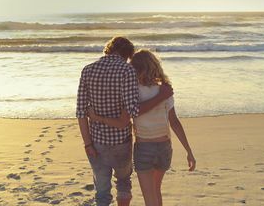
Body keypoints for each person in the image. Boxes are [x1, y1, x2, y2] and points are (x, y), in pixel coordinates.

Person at [88, 49, 196, 206]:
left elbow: (128, 117)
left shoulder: (134, 92)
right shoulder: (165, 90)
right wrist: (189, 151)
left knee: (149, 198)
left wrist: (97, 117)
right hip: (165, 147)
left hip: (145, 147)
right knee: (156, 191)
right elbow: (174, 122)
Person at [76, 37, 173, 206]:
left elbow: (81, 112)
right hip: (121, 141)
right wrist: (161, 96)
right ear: (128, 55)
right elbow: (134, 110)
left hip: (96, 142)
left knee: (102, 191)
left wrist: (87, 144)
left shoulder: (87, 70)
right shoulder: (127, 70)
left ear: (108, 49)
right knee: (123, 184)